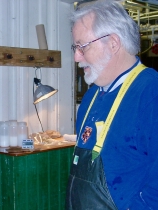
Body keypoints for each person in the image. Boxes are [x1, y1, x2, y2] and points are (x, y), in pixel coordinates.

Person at [66, 1, 158, 209]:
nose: (76, 57)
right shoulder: (90, 98)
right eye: (75, 47)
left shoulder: (151, 92)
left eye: (82, 46)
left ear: (113, 43)